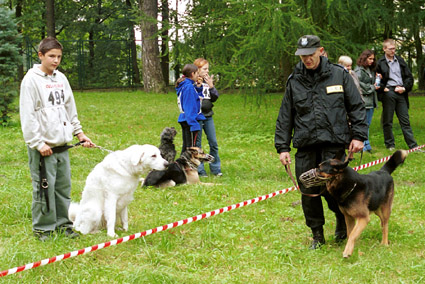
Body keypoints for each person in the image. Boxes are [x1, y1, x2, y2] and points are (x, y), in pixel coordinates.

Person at [274, 35, 368, 249]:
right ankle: (317, 235)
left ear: (321, 51)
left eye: (310, 54)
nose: (306, 59)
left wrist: (359, 136)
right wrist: (282, 147)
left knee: (336, 189)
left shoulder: (339, 75)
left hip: (333, 144)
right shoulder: (294, 80)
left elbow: (356, 107)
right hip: (306, 144)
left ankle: (342, 222)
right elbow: (285, 116)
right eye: (302, 56)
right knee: (308, 191)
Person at [20, 37, 95, 241]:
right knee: (44, 189)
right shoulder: (31, 80)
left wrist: (79, 132)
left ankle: (64, 224)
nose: (55, 60)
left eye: (59, 57)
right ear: (40, 56)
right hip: (44, 147)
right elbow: (28, 115)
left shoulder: (61, 79)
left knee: (63, 187)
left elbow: (69, 108)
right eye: (51, 56)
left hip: (62, 145)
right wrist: (38, 143)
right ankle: (44, 229)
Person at [376, 39, 419, 150]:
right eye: (390, 49)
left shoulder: (400, 60)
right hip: (388, 92)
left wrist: (404, 88)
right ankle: (390, 145)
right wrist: (383, 88)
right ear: (384, 49)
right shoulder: (380, 63)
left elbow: (409, 77)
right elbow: (375, 80)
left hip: (401, 92)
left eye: (394, 48)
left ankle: (413, 146)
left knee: (405, 120)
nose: (393, 51)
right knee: (388, 120)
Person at [193, 58, 222, 177]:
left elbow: (214, 98)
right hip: (197, 116)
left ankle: (215, 168)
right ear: (197, 70)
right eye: (204, 69)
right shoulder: (193, 82)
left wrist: (211, 87)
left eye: (208, 69)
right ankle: (200, 170)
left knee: (213, 142)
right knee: (198, 144)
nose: (207, 71)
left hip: (208, 115)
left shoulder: (207, 81)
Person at [175, 64, 206, 153]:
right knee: (190, 150)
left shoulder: (186, 85)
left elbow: (196, 99)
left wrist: (198, 88)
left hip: (185, 119)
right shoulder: (188, 87)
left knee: (186, 147)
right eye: (197, 73)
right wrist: (193, 124)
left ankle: (181, 166)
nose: (198, 76)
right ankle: (184, 166)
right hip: (189, 121)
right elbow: (190, 107)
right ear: (192, 74)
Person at [355, 49, 380, 153]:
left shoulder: (370, 70)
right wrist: (373, 87)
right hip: (364, 101)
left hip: (371, 101)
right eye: (370, 59)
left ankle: (367, 145)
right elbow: (360, 85)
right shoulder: (359, 71)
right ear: (364, 58)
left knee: (368, 124)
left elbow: (372, 83)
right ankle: (364, 146)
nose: (372, 61)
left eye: (373, 59)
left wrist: (378, 78)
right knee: (364, 124)